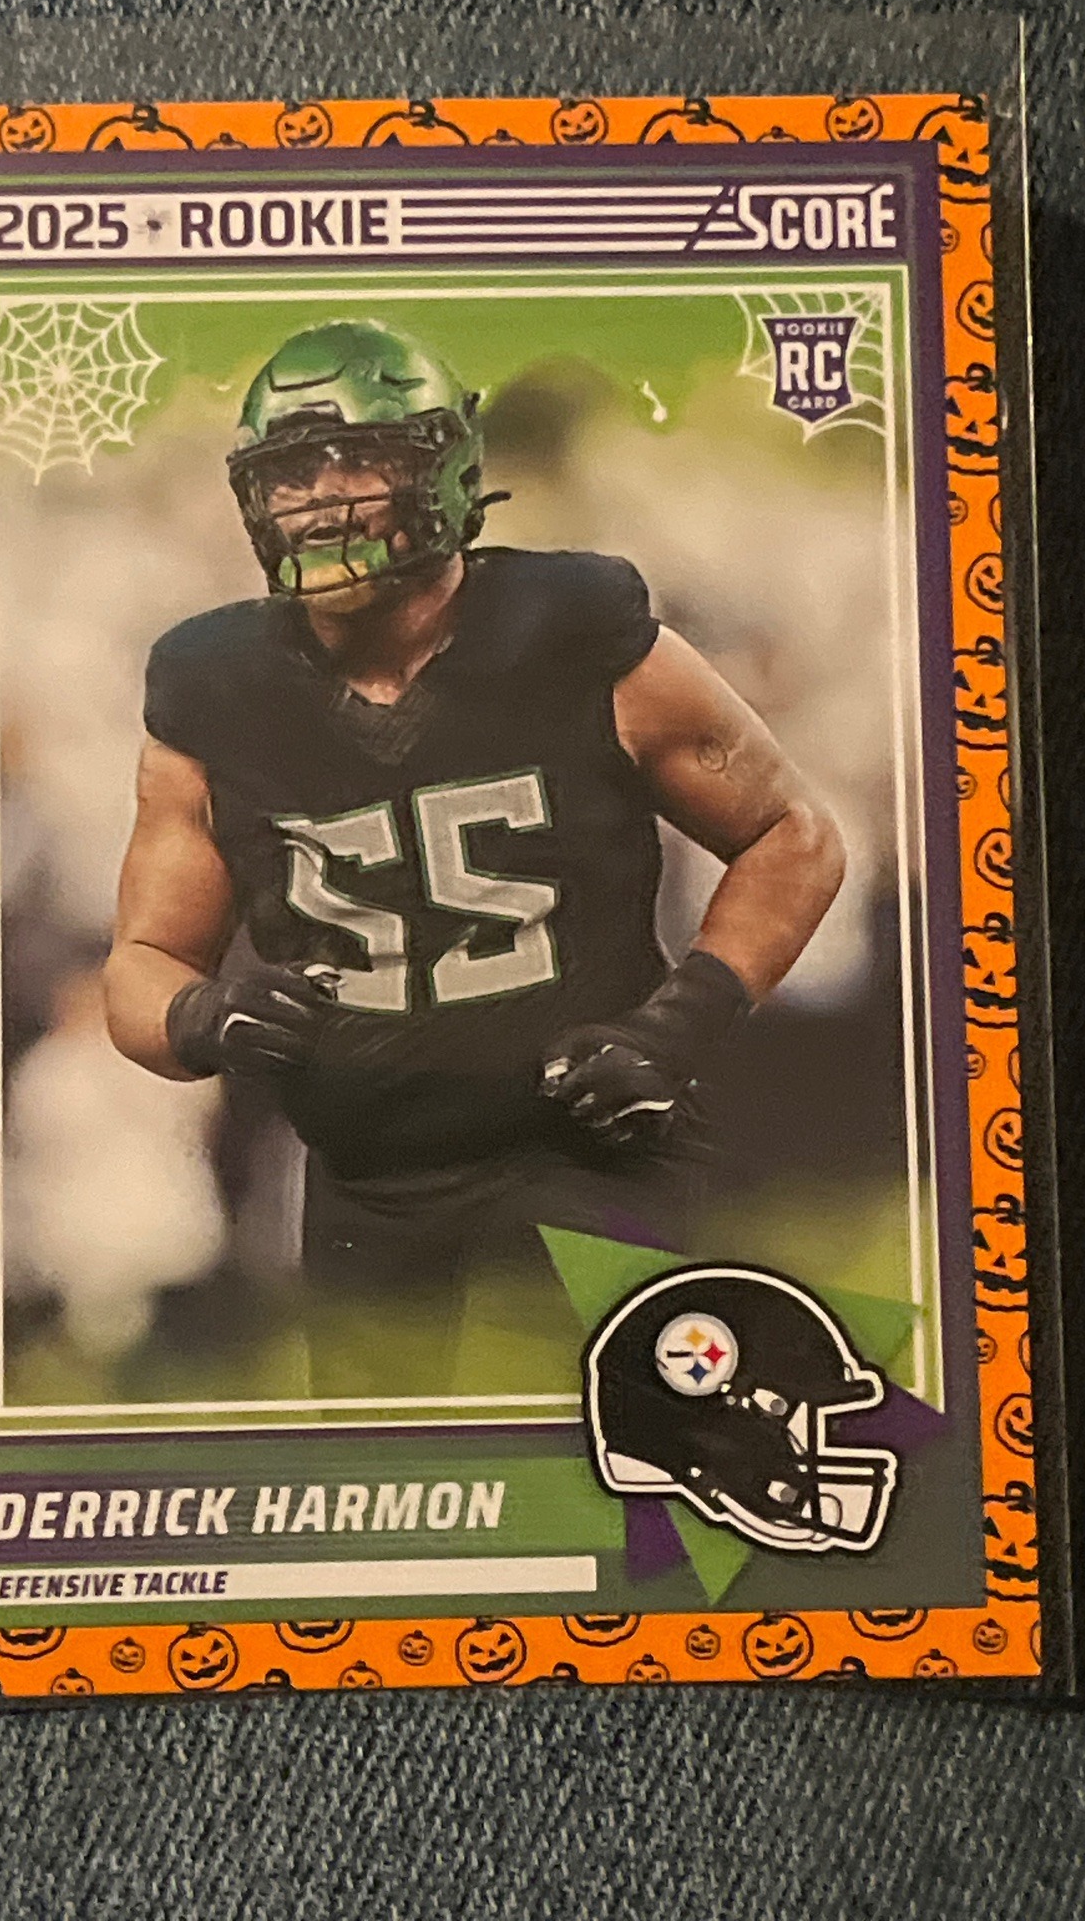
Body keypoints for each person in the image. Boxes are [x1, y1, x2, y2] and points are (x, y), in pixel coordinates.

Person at [105, 321, 844, 1397]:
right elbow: (140, 966)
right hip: (370, 1180)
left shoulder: (573, 628)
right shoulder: (211, 686)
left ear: (444, 467)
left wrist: (674, 1027)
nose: (323, 499)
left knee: (613, 1459)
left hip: (585, 1144)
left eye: (358, 461)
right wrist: (202, 1017)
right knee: (390, 1481)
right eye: (294, 472)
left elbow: (792, 835)